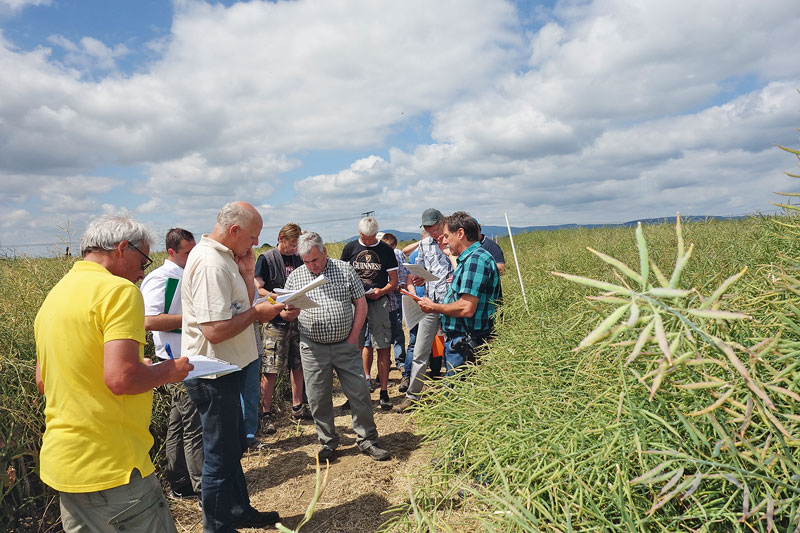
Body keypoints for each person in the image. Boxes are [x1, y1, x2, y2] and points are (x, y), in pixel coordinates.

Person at [34, 214, 192, 533]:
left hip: (65, 465)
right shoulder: (118, 292)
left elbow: (43, 380)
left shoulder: (55, 296)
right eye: (143, 260)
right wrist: (169, 370)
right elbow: (121, 379)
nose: (142, 272)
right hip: (113, 467)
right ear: (122, 248)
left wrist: (136, 368)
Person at [181, 201, 285, 532]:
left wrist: (258, 296)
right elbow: (214, 329)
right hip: (213, 374)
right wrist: (257, 315)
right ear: (234, 230)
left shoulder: (225, 259)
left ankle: (239, 510)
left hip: (228, 368)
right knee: (219, 458)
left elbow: (235, 308)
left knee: (232, 447)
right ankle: (218, 527)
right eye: (253, 237)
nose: (255, 244)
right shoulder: (212, 264)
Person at [287, 232, 390, 462]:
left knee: (360, 392)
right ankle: (328, 443)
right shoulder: (296, 277)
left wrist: (354, 336)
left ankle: (367, 439)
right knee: (317, 397)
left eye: (315, 260)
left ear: (324, 252)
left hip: (346, 344)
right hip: (313, 347)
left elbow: (360, 303)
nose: (311, 266)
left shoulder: (344, 270)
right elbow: (288, 311)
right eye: (306, 262)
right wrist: (288, 313)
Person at [140, 227, 203, 500]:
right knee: (194, 426)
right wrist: (194, 319)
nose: (191, 257)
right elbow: (150, 320)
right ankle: (200, 487)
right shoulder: (161, 277)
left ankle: (179, 480)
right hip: (175, 359)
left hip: (188, 358)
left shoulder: (184, 273)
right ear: (171, 252)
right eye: (187, 253)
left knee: (178, 423)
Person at [417, 212, 501, 377]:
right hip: (463, 341)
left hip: (468, 343)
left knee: (458, 391)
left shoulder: (475, 260)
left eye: (447, 236)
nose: (445, 240)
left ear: (461, 233)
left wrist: (434, 307)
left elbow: (466, 307)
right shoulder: (470, 258)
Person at [395, 208, 453, 413]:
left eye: (433, 229)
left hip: (451, 304)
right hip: (430, 304)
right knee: (420, 351)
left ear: (442, 223)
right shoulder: (426, 244)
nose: (431, 233)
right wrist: (417, 279)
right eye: (427, 229)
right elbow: (416, 271)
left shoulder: (452, 241)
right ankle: (412, 396)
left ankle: (455, 395)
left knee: (454, 349)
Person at [254, 222, 309, 434]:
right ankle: (265, 414)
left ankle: (298, 406)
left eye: (297, 245)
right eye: (291, 244)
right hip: (274, 320)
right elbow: (259, 290)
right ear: (281, 238)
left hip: (297, 317)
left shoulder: (299, 259)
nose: (294, 249)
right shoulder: (266, 259)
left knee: (298, 363)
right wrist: (280, 301)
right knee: (270, 368)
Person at [340, 217, 398, 410]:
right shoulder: (350, 249)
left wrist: (381, 291)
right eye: (365, 238)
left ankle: (383, 392)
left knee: (382, 345)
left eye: (372, 238)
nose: (368, 241)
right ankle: (357, 391)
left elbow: (393, 281)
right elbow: (342, 276)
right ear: (360, 234)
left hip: (378, 302)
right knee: (355, 346)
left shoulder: (386, 250)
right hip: (356, 303)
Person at [380, 232, 409, 372]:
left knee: (397, 331)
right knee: (383, 333)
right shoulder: (377, 255)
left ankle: (400, 361)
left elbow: (403, 276)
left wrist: (397, 286)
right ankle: (385, 363)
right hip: (380, 300)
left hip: (394, 298)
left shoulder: (398, 255)